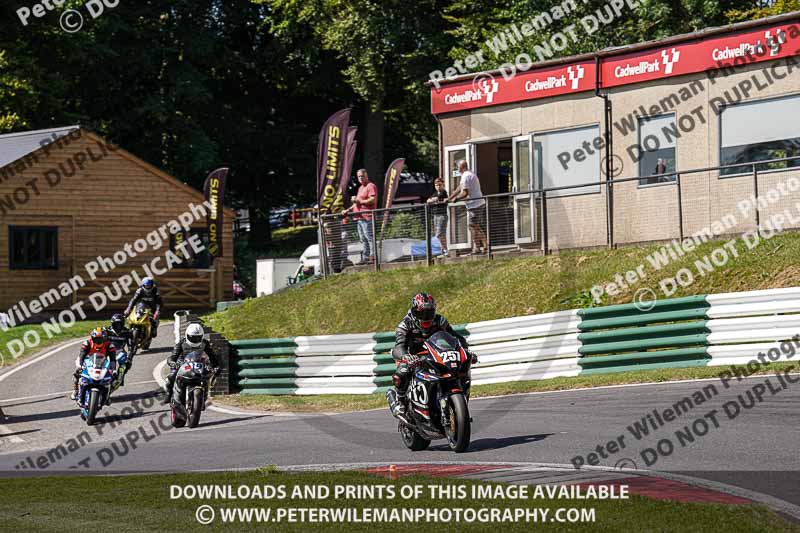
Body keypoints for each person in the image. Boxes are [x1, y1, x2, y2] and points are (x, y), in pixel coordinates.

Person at [386, 292, 476, 418]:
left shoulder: (440, 321)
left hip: (435, 354)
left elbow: (456, 338)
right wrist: (406, 356)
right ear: (414, 312)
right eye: (421, 313)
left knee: (459, 368)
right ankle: (400, 401)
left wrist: (466, 351)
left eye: (429, 312)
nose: (426, 317)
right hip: (412, 356)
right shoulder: (405, 325)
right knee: (402, 371)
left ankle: (458, 401)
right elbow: (399, 346)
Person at [163, 323, 220, 404]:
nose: (195, 340)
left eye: (197, 338)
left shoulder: (205, 343)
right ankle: (169, 393)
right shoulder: (182, 343)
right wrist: (173, 363)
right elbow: (172, 356)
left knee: (208, 374)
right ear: (187, 335)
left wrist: (216, 366)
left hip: (198, 364)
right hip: (182, 365)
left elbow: (212, 356)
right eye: (193, 338)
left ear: (202, 336)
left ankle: (204, 395)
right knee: (171, 376)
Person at [448, 160, 487, 254]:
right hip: (477, 203)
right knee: (475, 227)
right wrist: (449, 197)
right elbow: (460, 188)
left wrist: (456, 199)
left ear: (461, 167)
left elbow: (465, 193)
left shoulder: (465, 176)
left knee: (473, 227)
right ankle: (484, 246)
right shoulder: (468, 174)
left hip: (475, 205)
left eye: (457, 166)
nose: (457, 168)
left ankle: (479, 248)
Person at [71, 327, 118, 404]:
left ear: (105, 339)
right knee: (77, 372)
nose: (99, 341)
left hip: (103, 362)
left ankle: (107, 396)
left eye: (101, 339)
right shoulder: (87, 343)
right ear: (92, 338)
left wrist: (114, 370)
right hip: (87, 360)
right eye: (96, 339)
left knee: (112, 378)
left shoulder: (110, 346)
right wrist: (80, 365)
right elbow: (82, 355)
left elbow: (113, 359)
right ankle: (76, 390)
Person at [344, 169, 377, 263]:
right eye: (359, 176)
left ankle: (372, 257)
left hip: (367, 217)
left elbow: (373, 200)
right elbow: (357, 204)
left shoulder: (371, 186)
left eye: (362, 176)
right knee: (363, 239)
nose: (360, 178)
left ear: (367, 176)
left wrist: (359, 201)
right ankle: (366, 257)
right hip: (359, 218)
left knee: (369, 237)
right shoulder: (360, 188)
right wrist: (348, 210)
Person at [106, 313, 134, 386]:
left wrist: (129, 358)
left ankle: (120, 377)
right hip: (107, 351)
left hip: (120, 351)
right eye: (116, 324)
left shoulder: (127, 332)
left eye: (120, 324)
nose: (118, 326)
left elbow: (131, 347)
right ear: (112, 324)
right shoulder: (106, 331)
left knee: (126, 363)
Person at [427, 177, 449, 254]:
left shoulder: (444, 192)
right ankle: (444, 250)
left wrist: (433, 200)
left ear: (443, 184)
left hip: (442, 215)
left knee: (439, 234)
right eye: (436, 185)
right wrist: (433, 200)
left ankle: (446, 249)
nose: (438, 187)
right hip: (435, 216)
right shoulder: (435, 193)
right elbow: (428, 200)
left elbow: (436, 199)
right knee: (440, 234)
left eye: (439, 185)